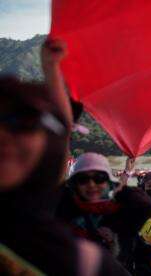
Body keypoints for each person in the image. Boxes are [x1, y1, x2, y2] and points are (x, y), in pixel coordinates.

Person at [0, 40, 128, 275]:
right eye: (84, 179)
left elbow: (61, 129)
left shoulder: (83, 262)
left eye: (23, 121)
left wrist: (51, 69)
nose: (4, 134)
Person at [57, 154, 151, 270]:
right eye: (83, 179)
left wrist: (120, 188)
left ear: (109, 182)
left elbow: (145, 206)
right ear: (74, 184)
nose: (91, 184)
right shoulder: (64, 209)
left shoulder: (122, 211)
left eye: (99, 178)